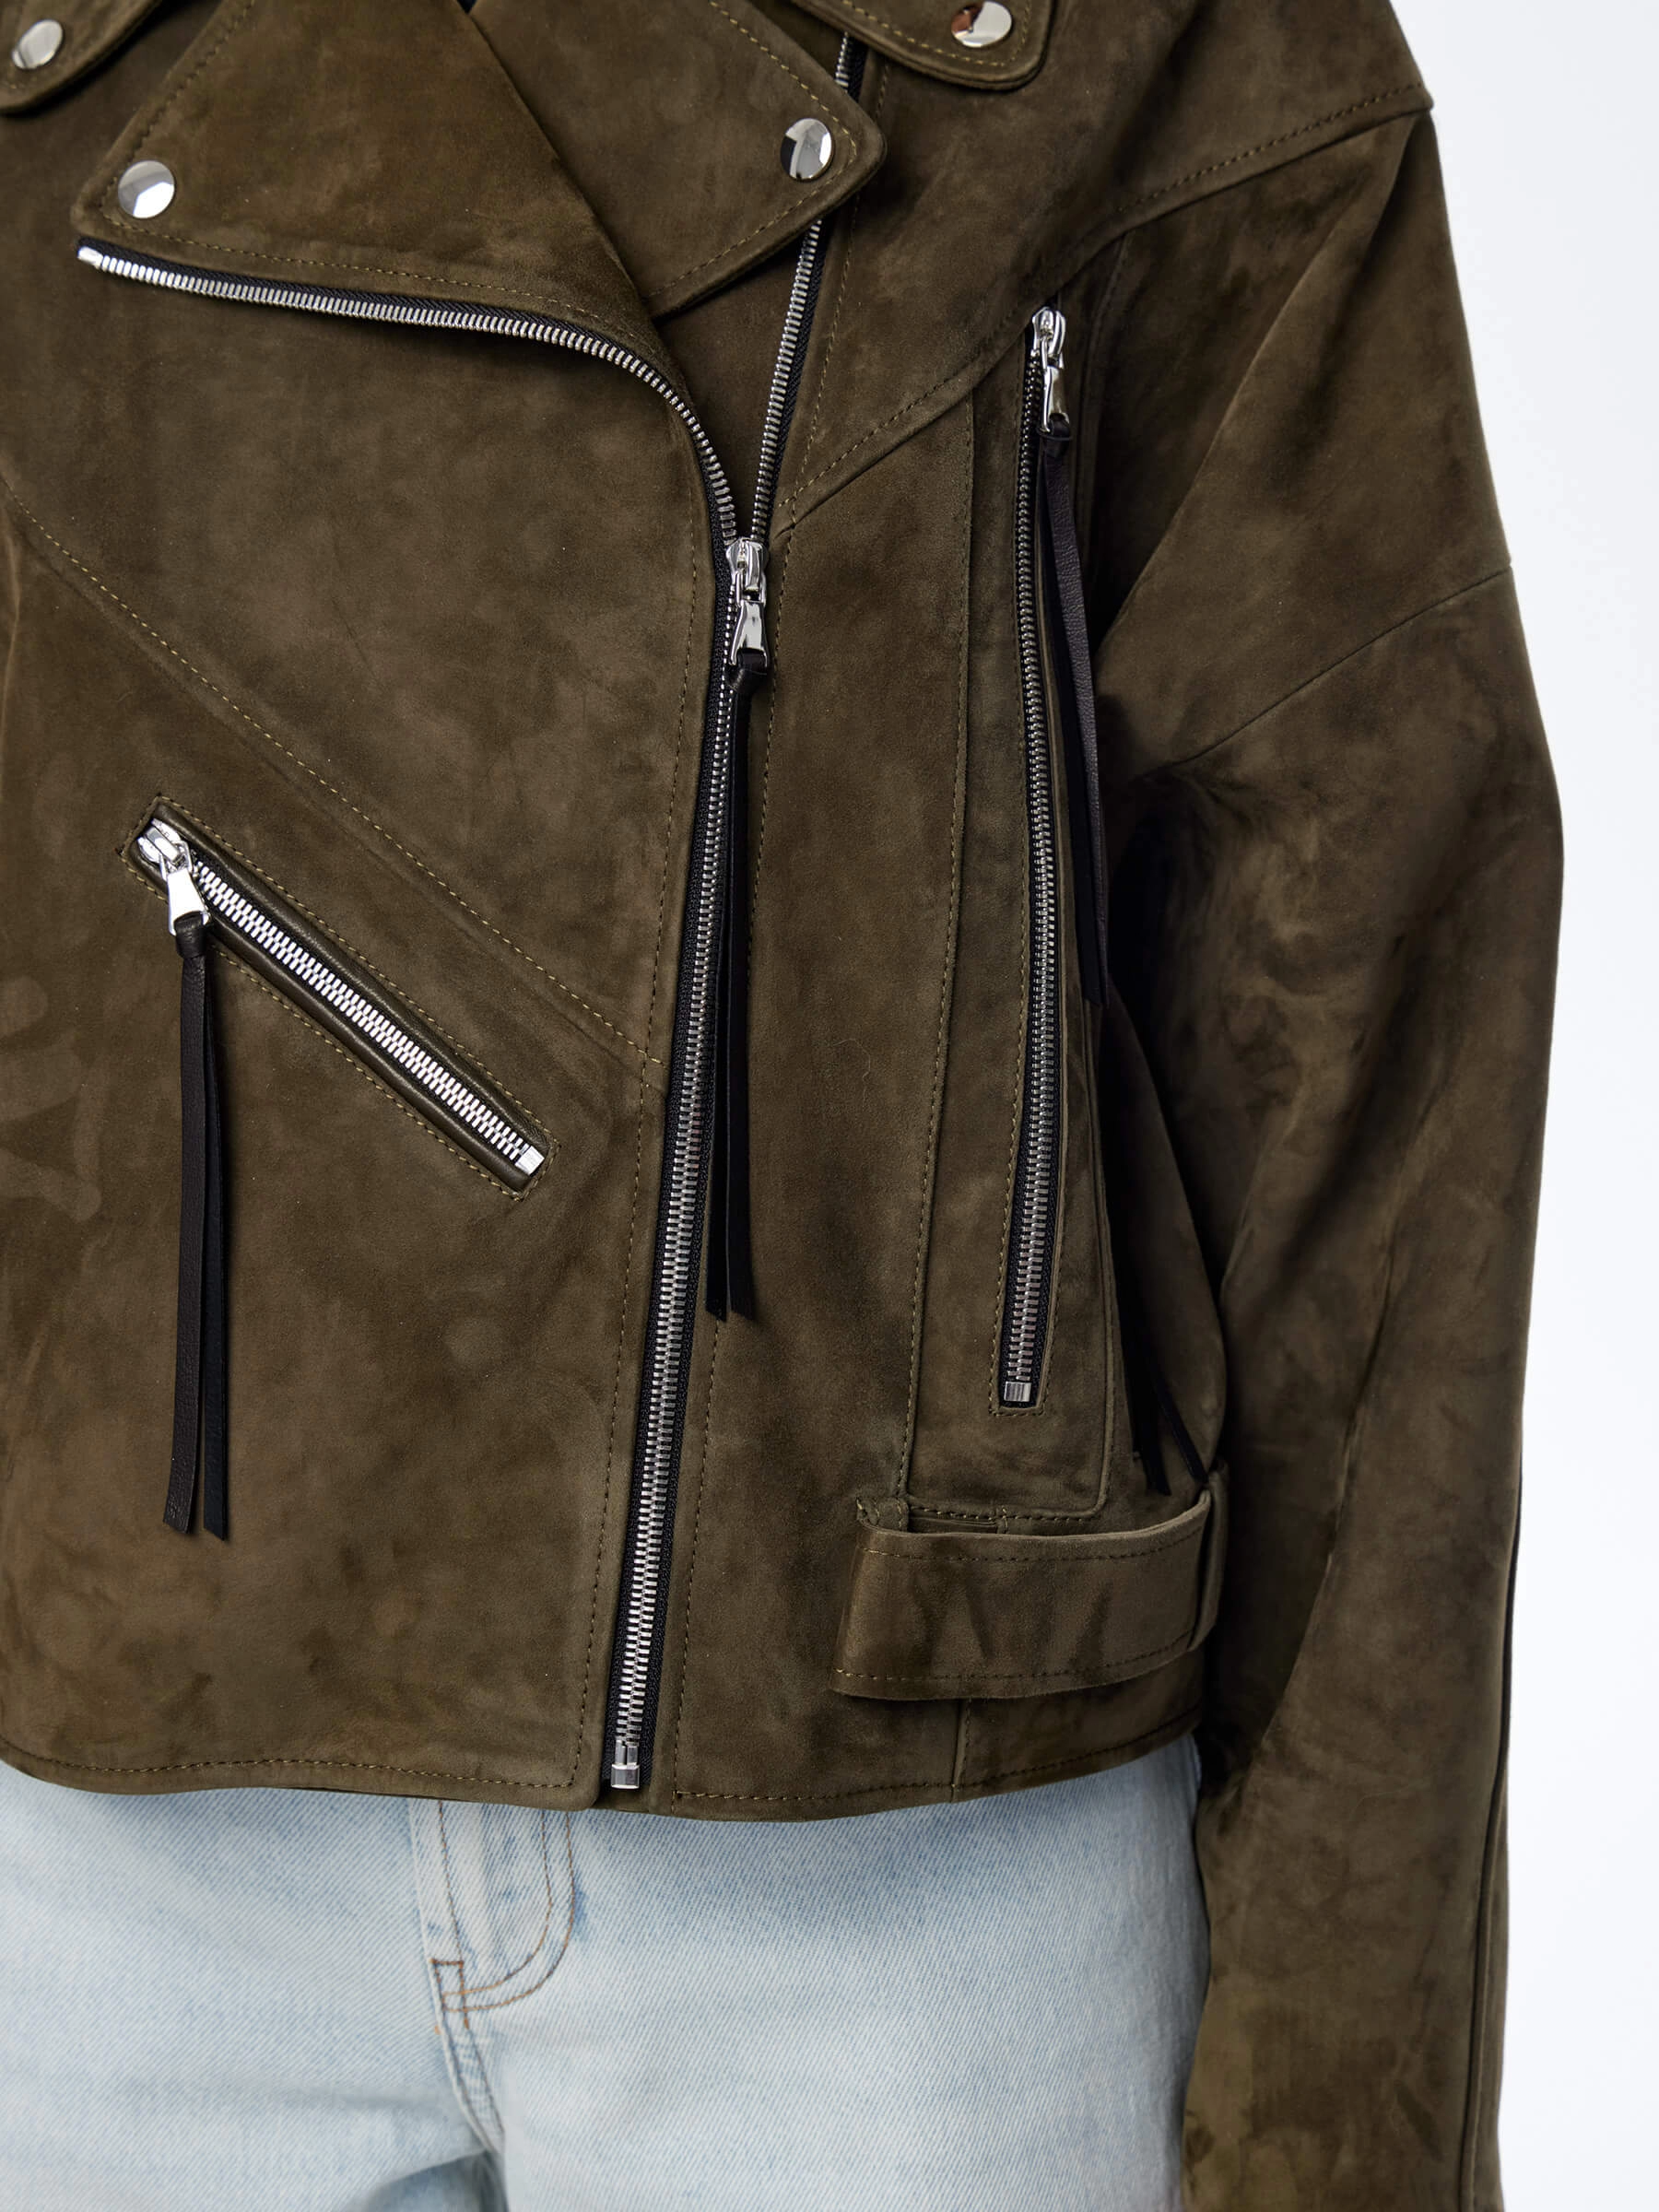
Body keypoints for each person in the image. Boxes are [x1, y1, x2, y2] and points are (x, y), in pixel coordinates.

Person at [0, 1, 1558, 2206]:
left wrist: (1343, 2104)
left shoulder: (1157, 48)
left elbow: (1375, 1061)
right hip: (91, 1842)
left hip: (908, 1859)